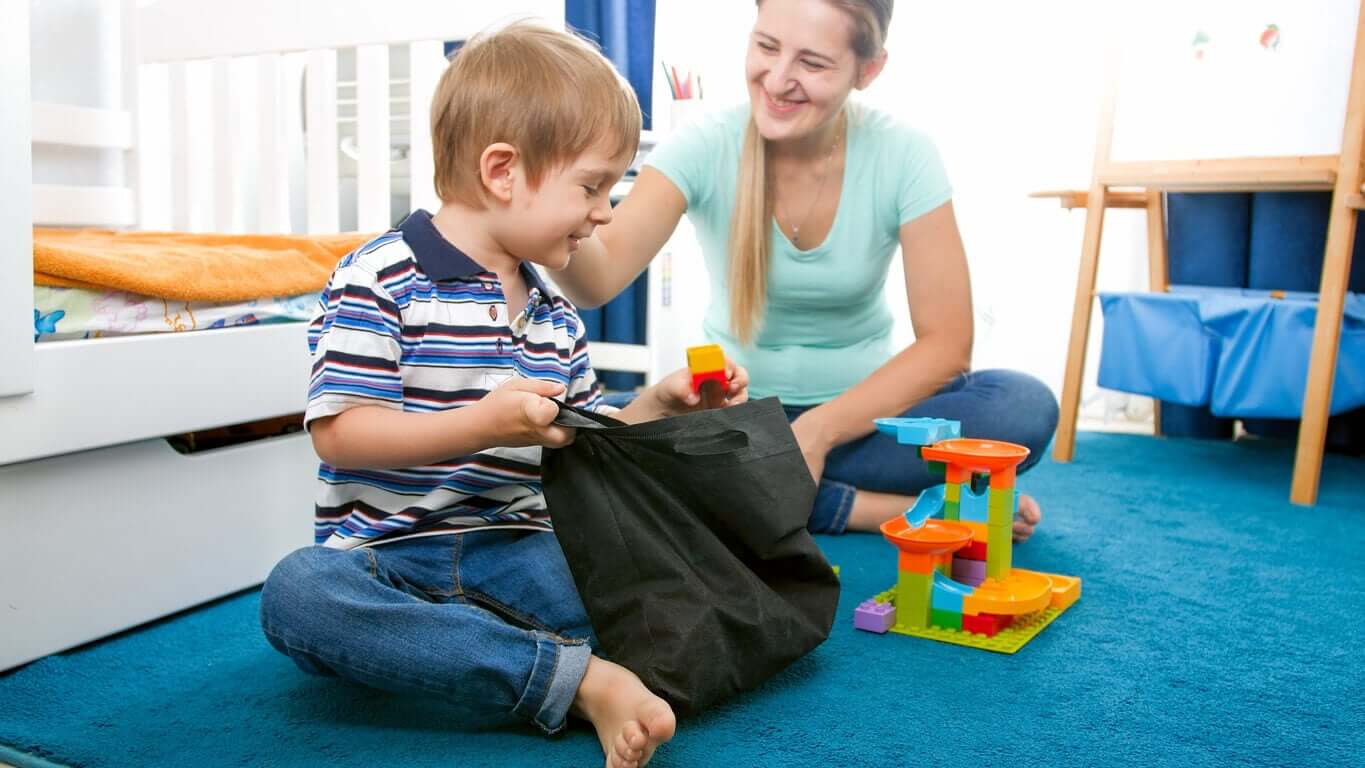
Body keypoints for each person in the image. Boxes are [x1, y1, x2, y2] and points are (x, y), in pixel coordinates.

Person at [258, 22, 748, 768]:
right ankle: (570, 679)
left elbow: (584, 437)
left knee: (646, 584)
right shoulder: (378, 278)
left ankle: (471, 658)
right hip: (386, 558)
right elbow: (342, 433)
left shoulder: (555, 314)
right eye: (591, 186)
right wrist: (480, 425)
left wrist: (657, 404)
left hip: (517, 547)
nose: (606, 212)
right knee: (297, 596)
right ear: (501, 172)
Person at [553, 0, 1058, 541]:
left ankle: (758, 489)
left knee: (1021, 405)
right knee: (578, 438)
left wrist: (814, 435)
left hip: (861, 429)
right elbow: (597, 280)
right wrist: (550, 199)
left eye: (813, 63)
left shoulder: (904, 154)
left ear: (868, 70)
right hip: (738, 421)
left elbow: (947, 345)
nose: (777, 79)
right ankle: (873, 506)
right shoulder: (704, 143)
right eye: (767, 46)